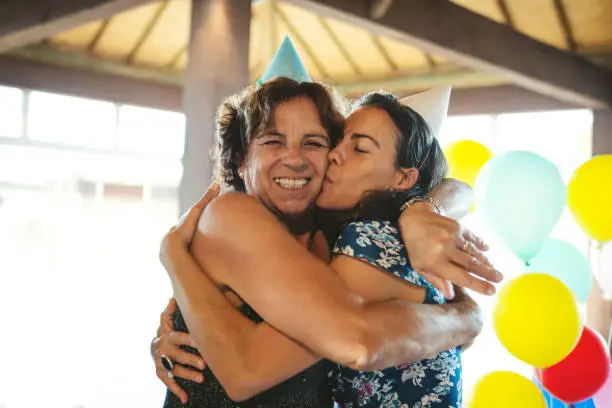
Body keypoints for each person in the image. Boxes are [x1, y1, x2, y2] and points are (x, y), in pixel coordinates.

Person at [153, 78, 500, 407]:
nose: (295, 158)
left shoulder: (337, 238)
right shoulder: (230, 214)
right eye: (273, 140)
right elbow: (354, 342)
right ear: (242, 160)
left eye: (314, 142)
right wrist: (465, 319)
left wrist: (422, 207)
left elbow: (451, 185)